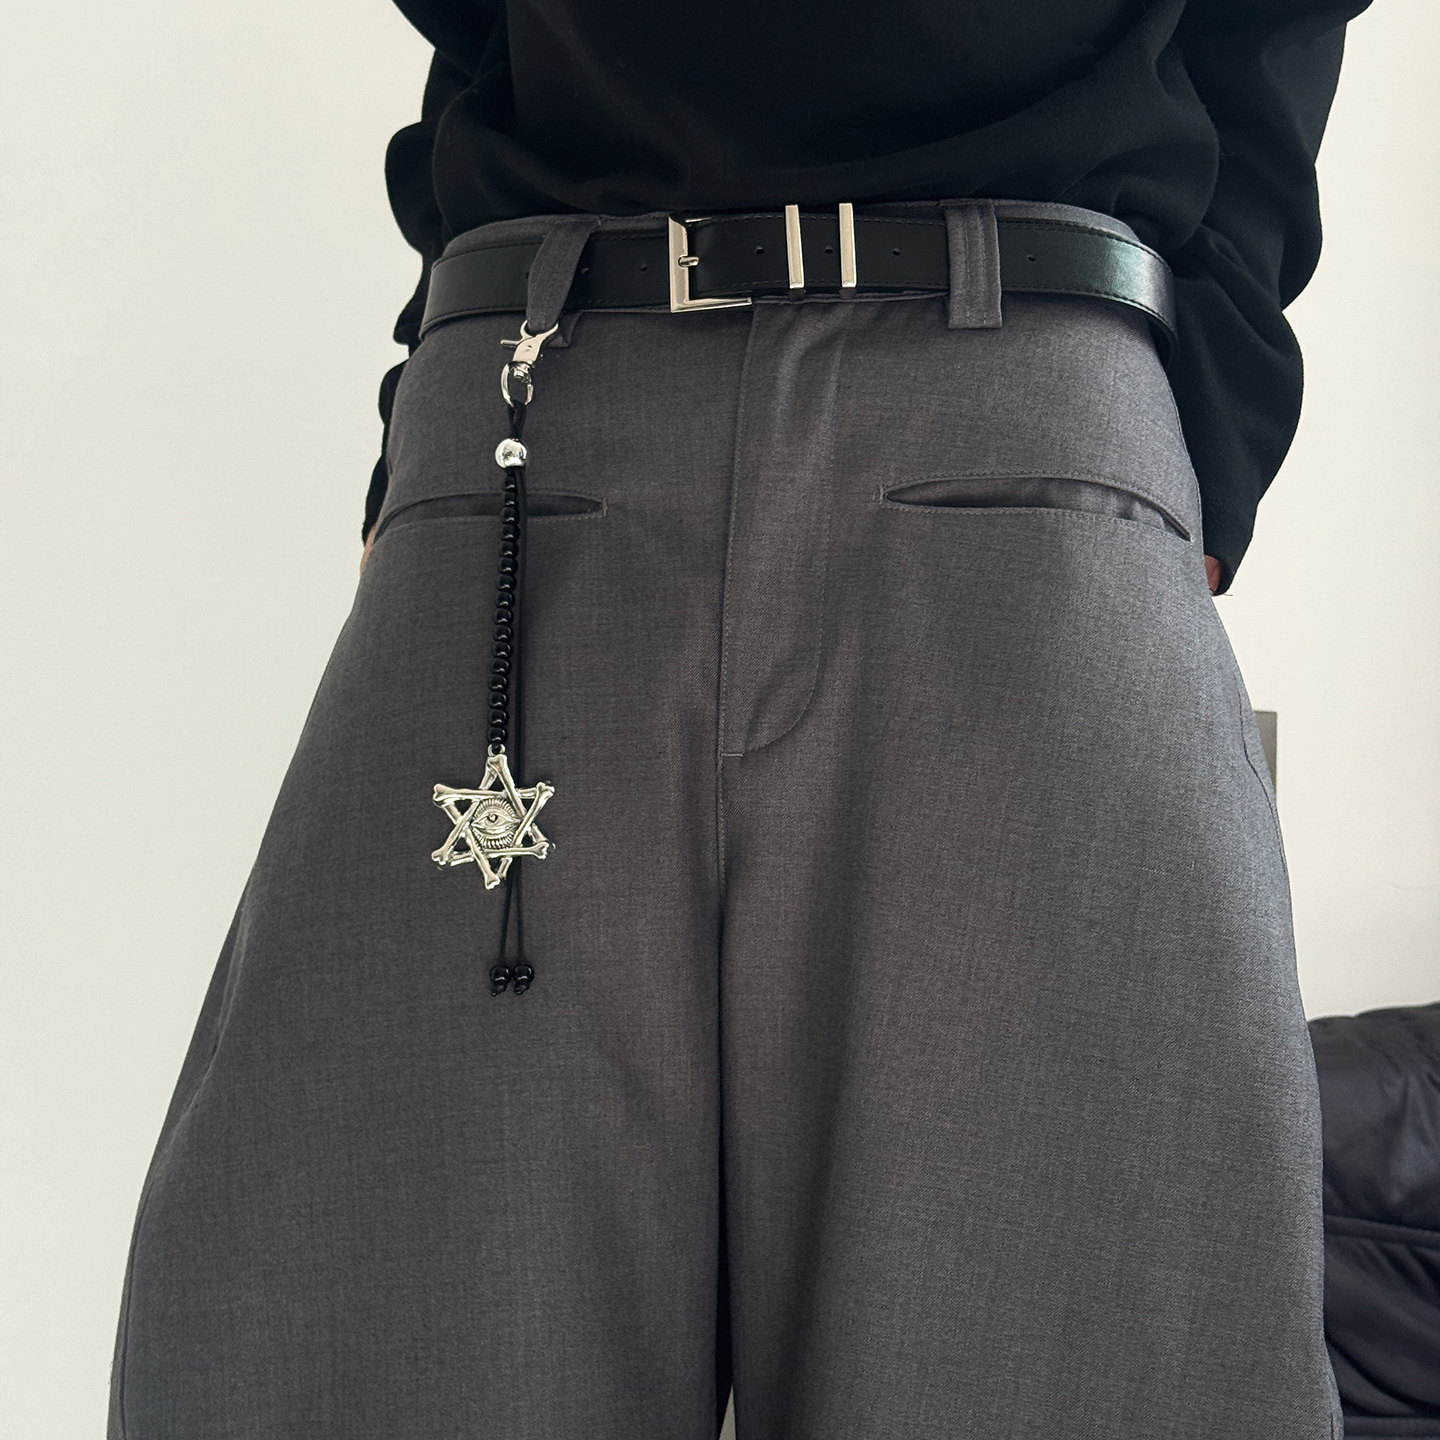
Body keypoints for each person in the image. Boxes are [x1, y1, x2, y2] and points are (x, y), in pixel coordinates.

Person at [107, 2, 1374, 1437]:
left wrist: (1212, 403)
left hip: (1019, 399)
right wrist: (425, 400)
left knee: (1072, 1357)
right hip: (538, 395)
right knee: (365, 1332)